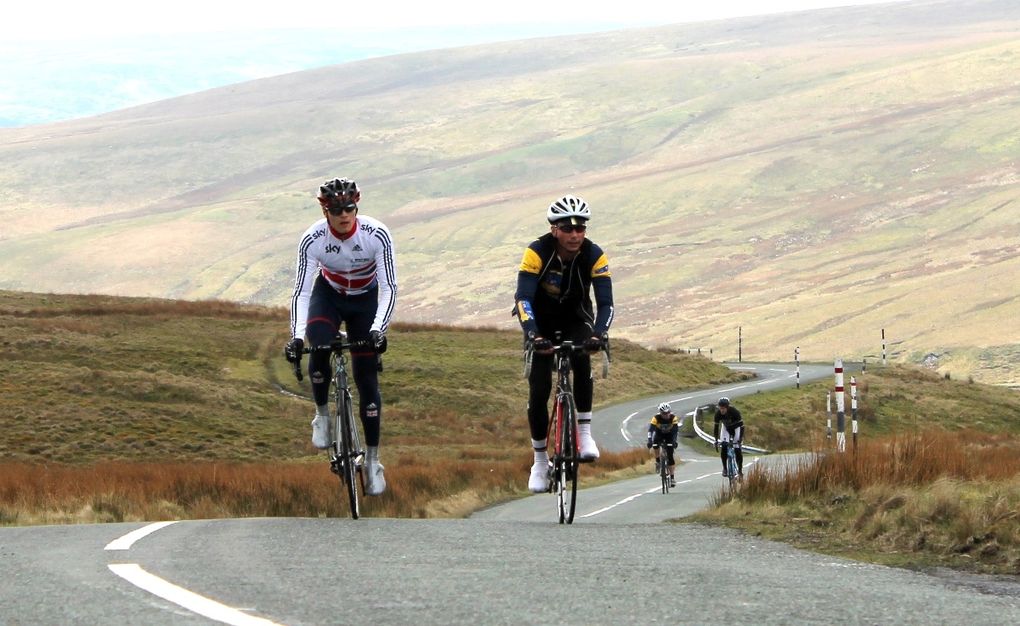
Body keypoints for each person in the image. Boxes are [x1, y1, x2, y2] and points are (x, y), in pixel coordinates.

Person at [283, 177, 397, 496]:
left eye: (349, 207)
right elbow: (302, 291)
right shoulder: (313, 239)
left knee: (367, 380)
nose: (344, 214)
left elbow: (389, 287)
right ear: (325, 212)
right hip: (329, 294)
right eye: (336, 209)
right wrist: (296, 336)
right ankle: (322, 415)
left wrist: (378, 330)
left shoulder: (376, 234)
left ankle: (373, 461)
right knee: (318, 343)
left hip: (366, 299)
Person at [514, 194, 614, 493]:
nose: (574, 235)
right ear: (554, 229)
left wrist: (598, 334)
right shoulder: (536, 252)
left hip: (576, 319)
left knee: (582, 358)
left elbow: (606, 304)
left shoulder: (594, 254)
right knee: (540, 388)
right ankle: (540, 462)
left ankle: (584, 434)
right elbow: (523, 298)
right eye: (567, 228)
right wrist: (532, 333)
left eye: (580, 228)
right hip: (540, 322)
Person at [647, 402, 681, 487]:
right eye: (664, 413)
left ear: (670, 411)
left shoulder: (673, 418)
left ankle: (672, 478)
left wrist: (674, 441)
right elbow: (650, 430)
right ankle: (658, 461)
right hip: (659, 435)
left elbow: (676, 430)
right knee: (655, 445)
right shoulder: (656, 418)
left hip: (670, 435)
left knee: (670, 457)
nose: (666, 415)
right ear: (660, 413)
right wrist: (649, 440)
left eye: (667, 413)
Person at [713, 397, 744, 478]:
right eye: (720, 408)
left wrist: (740, 439)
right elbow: (716, 427)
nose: (722, 410)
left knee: (737, 449)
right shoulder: (718, 414)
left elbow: (742, 426)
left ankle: (740, 471)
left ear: (727, 407)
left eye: (723, 408)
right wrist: (716, 440)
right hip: (726, 428)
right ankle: (725, 468)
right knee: (724, 446)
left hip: (736, 427)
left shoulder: (734, 412)